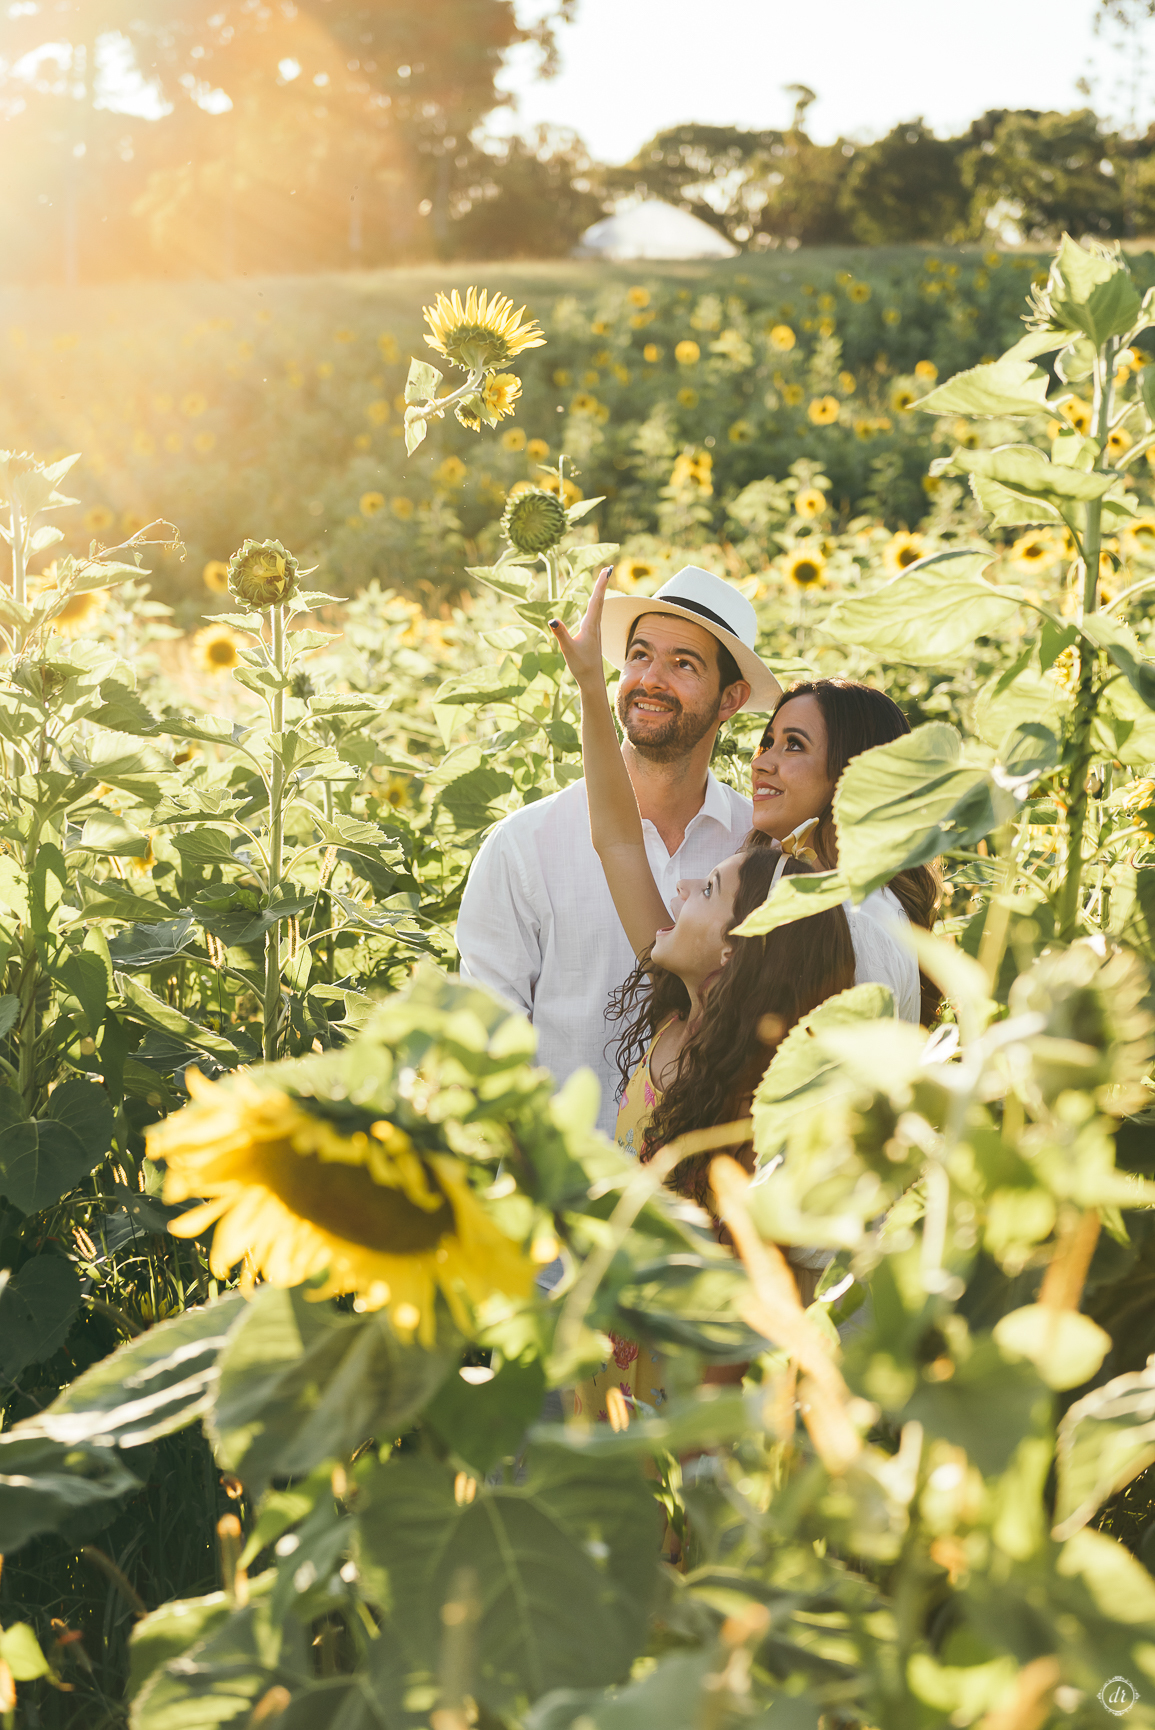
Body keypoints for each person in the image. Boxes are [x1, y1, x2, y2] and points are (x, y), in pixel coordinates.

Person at [456, 564, 784, 1139]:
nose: (650, 679)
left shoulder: (757, 848)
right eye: (639, 655)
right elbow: (483, 1044)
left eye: (684, 663)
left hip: (698, 1199)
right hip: (561, 1191)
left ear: (731, 698)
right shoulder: (524, 846)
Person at [746, 680, 941, 1024]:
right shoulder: (807, 890)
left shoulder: (858, 922)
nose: (760, 763)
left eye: (793, 745)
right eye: (768, 742)